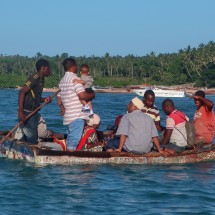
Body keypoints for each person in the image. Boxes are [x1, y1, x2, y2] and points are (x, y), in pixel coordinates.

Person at [57, 58, 95, 151]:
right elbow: (82, 95)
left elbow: (58, 97)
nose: (77, 68)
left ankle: (68, 155)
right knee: (74, 140)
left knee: (71, 137)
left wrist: (62, 106)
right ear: (73, 66)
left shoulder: (62, 81)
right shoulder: (75, 79)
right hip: (77, 116)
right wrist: (93, 94)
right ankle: (70, 160)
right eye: (76, 65)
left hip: (68, 117)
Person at [18, 59, 52, 144]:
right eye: (48, 68)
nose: (50, 70)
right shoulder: (34, 78)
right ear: (43, 68)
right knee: (32, 139)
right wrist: (21, 111)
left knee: (36, 135)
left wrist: (44, 100)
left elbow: (35, 96)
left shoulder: (42, 79)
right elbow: (22, 92)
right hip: (27, 112)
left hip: (34, 112)